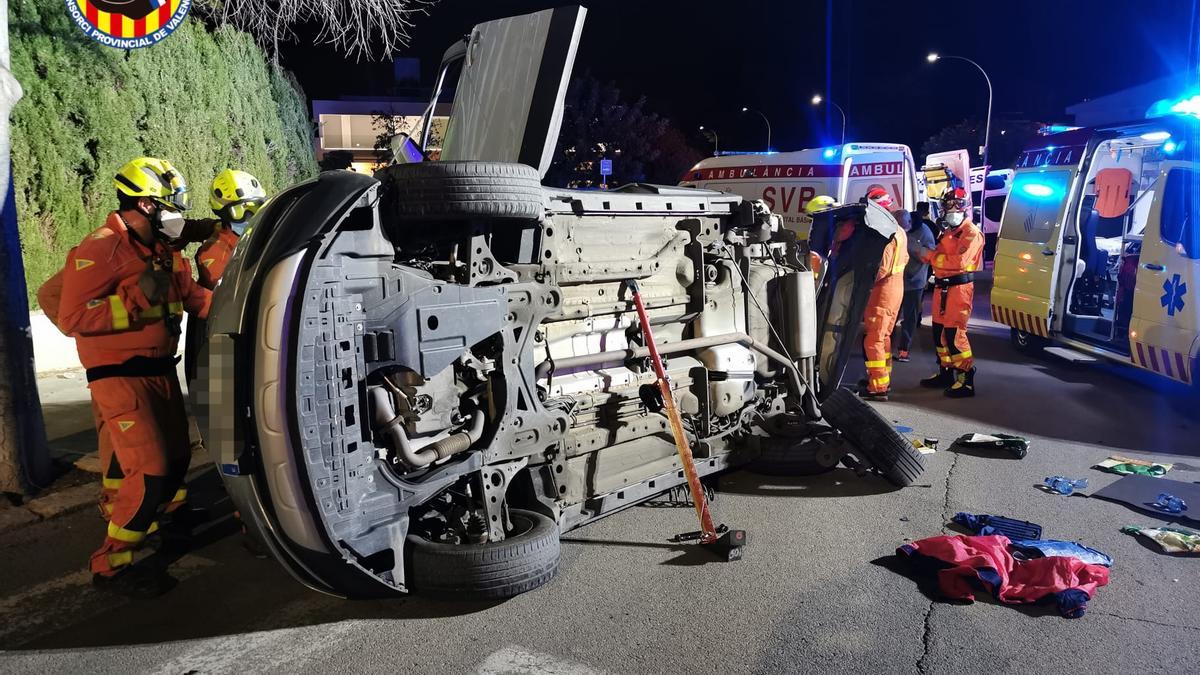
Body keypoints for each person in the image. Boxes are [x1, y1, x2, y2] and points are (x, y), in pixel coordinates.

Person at [57, 157, 211, 597]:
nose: (179, 213)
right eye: (173, 204)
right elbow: (71, 315)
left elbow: (193, 296)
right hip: (120, 377)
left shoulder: (162, 251)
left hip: (161, 371)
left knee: (179, 458)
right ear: (146, 204)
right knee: (152, 469)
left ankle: (162, 522)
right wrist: (134, 306)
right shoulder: (101, 248)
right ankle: (111, 565)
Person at [918, 188, 983, 398]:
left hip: (959, 289)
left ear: (963, 207)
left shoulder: (971, 233)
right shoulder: (949, 232)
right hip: (942, 287)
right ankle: (946, 372)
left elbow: (959, 262)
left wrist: (931, 258)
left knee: (955, 335)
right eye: (947, 206)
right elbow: (940, 255)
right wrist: (931, 258)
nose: (949, 210)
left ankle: (966, 378)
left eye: (953, 205)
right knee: (939, 333)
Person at [859, 195, 908, 401]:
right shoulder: (899, 230)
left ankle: (877, 387)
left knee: (874, 339)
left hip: (883, 292)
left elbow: (881, 269)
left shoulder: (886, 234)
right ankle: (881, 379)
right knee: (884, 337)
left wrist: (860, 280)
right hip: (895, 289)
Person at [894, 206, 936, 361]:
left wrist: (910, 244)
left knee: (910, 319)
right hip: (896, 281)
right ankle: (885, 346)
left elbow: (929, 255)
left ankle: (904, 349)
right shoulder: (898, 229)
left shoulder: (924, 232)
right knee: (891, 316)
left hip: (914, 283)